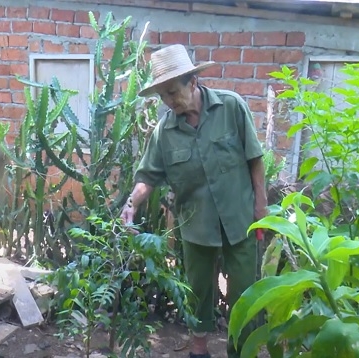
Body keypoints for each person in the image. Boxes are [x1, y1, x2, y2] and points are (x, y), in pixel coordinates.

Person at [120, 44, 267, 358]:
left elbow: (255, 159)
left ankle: (239, 350)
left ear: (193, 82)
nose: (169, 102)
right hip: (196, 225)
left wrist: (260, 209)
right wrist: (131, 203)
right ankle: (199, 350)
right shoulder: (165, 132)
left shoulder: (231, 107)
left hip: (240, 219)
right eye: (162, 96)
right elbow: (148, 177)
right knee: (197, 292)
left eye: (173, 92)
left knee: (244, 291)